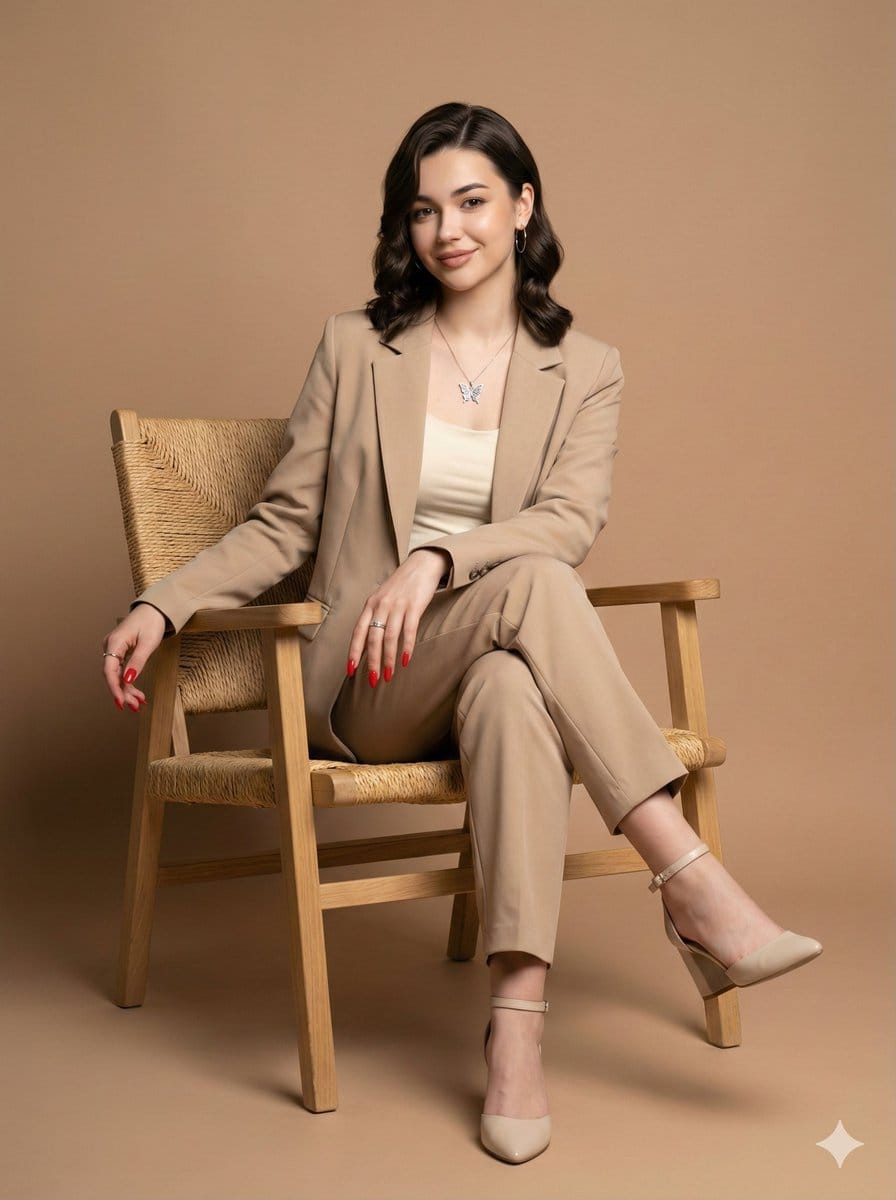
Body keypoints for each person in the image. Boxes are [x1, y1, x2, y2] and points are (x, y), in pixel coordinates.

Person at [102, 102, 822, 1165]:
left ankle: (515, 1036)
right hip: (364, 684)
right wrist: (162, 601)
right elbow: (283, 524)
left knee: (510, 685)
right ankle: (689, 879)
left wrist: (438, 557)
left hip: (487, 658)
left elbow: (569, 519)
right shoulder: (357, 348)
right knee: (529, 580)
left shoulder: (587, 367)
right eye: (425, 209)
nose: (449, 230)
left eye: (474, 202)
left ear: (522, 207)